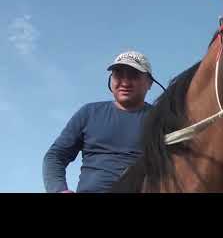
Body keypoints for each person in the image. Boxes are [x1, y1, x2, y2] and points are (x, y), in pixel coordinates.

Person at [42, 51, 163, 193]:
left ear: (149, 83)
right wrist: (58, 190)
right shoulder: (89, 113)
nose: (125, 82)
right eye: (118, 75)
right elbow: (55, 156)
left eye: (133, 75)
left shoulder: (161, 119)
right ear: (111, 80)